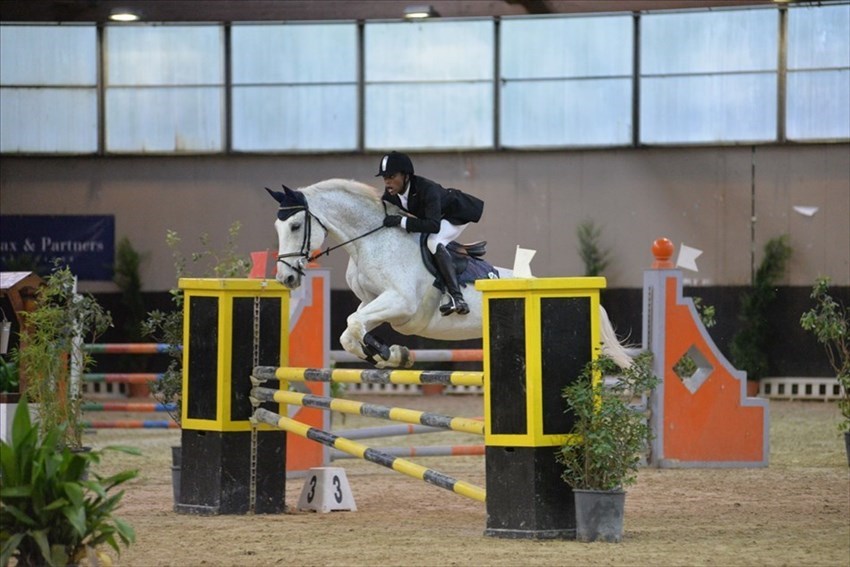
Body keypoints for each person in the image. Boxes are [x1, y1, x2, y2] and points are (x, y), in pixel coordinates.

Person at [377, 151, 484, 316]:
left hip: (456, 213)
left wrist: (401, 221)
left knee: (434, 241)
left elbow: (433, 226)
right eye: (385, 178)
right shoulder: (391, 196)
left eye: (392, 176)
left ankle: (457, 298)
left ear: (406, 176)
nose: (388, 182)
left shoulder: (427, 189)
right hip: (436, 217)